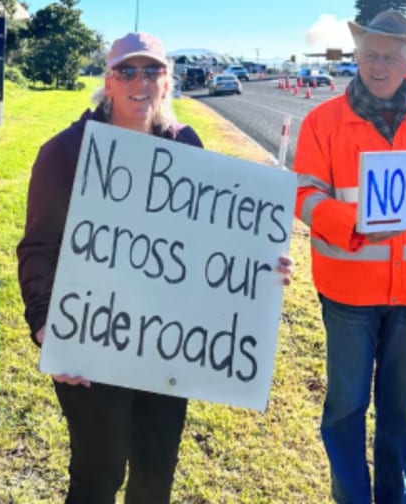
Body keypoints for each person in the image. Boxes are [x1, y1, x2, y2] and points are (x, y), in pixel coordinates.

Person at [17, 32, 293, 504]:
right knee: (97, 474)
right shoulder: (66, 152)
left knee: (155, 472)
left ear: (168, 82)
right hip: (92, 337)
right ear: (108, 81)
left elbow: (206, 241)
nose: (139, 82)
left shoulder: (185, 144)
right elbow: (38, 248)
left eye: (152, 71)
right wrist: (46, 326)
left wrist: (258, 263)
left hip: (167, 343)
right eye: (127, 71)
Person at [293, 10, 406, 504]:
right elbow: (303, 194)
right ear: (357, 58)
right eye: (370, 55)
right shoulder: (322, 122)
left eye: (389, 56)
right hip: (347, 294)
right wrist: (353, 224)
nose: (378, 65)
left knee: (400, 415)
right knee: (345, 410)